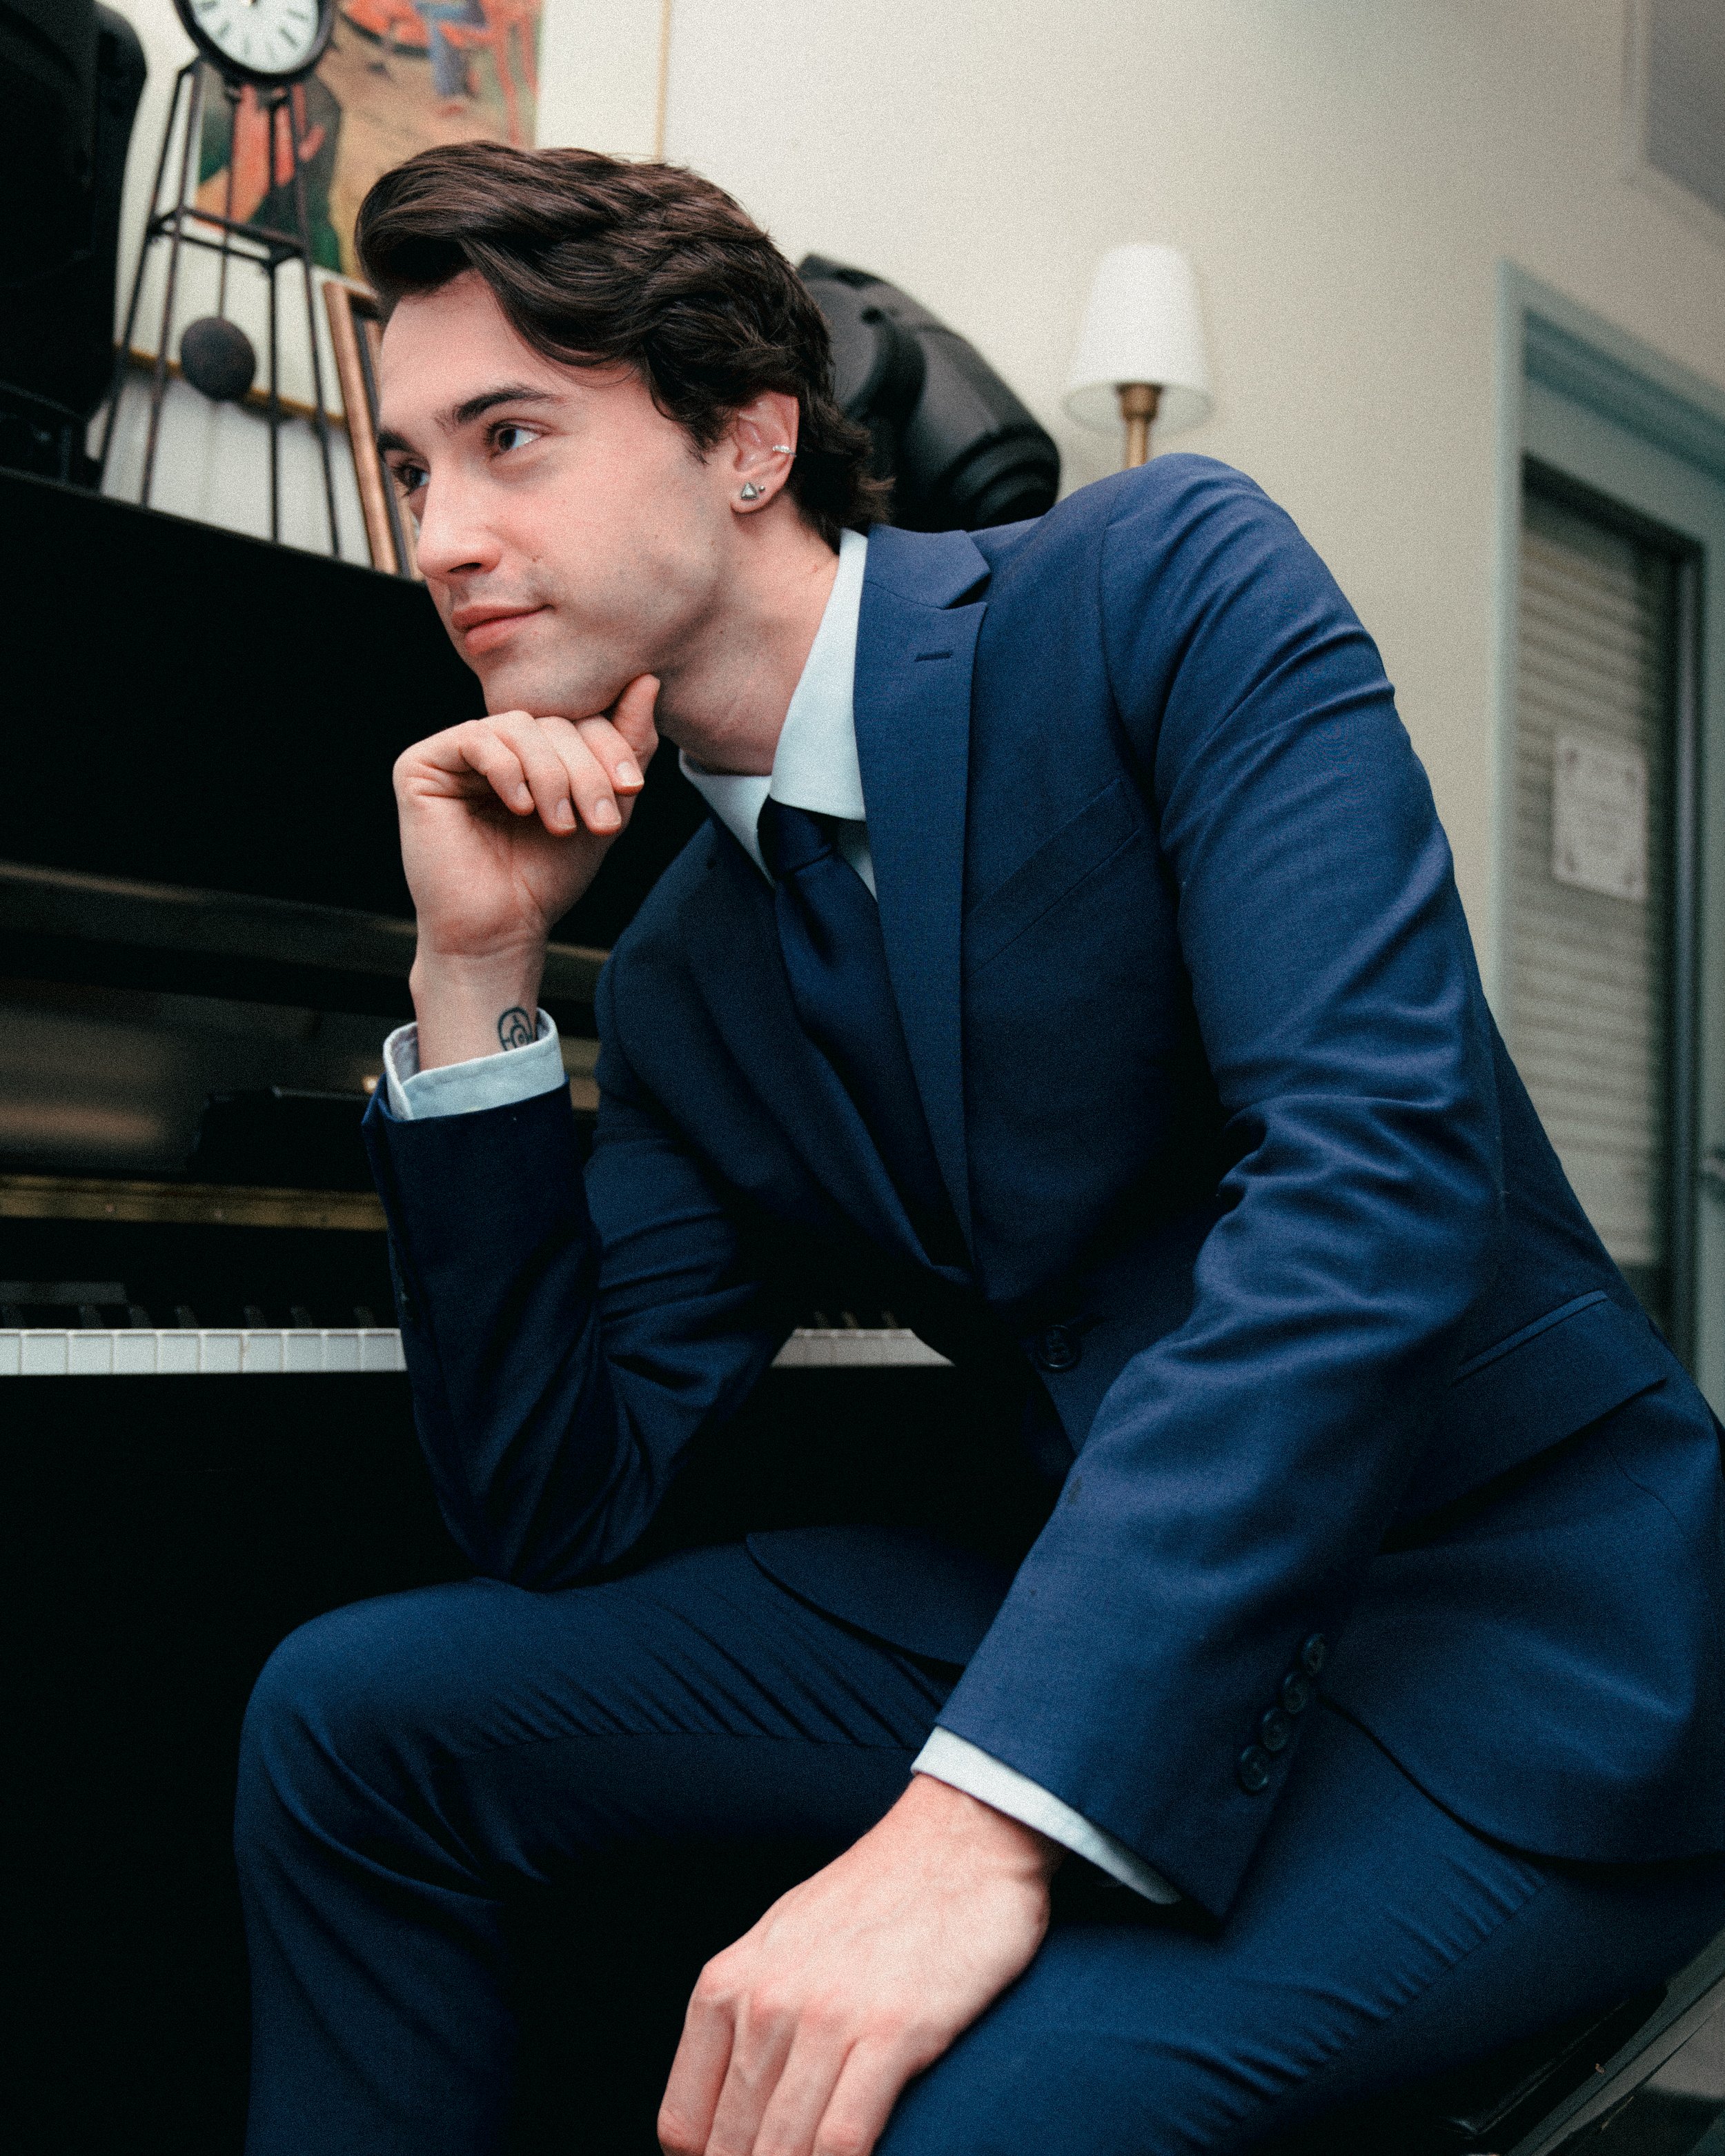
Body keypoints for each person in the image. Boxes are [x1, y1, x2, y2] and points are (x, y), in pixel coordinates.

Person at [234, 141, 1725, 2156]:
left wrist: (974, 1824)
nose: (444, 536)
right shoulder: (680, 969)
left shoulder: (1160, 581)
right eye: (413, 469)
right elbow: (557, 1502)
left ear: (749, 439)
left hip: (1492, 1625)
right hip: (1070, 1588)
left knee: (946, 2130)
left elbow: (1370, 1190)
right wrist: (479, 968)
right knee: (351, 1718)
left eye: (512, 438)